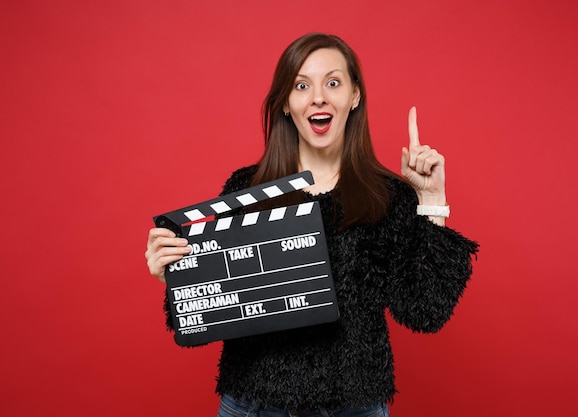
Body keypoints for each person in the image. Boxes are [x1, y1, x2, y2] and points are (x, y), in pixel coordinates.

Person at [145, 33, 478, 417]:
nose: (318, 96)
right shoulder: (246, 189)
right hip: (253, 405)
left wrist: (433, 200)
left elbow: (424, 312)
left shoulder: (387, 196)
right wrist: (178, 275)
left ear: (354, 96)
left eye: (332, 82)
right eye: (302, 85)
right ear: (287, 104)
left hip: (354, 407)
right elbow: (223, 305)